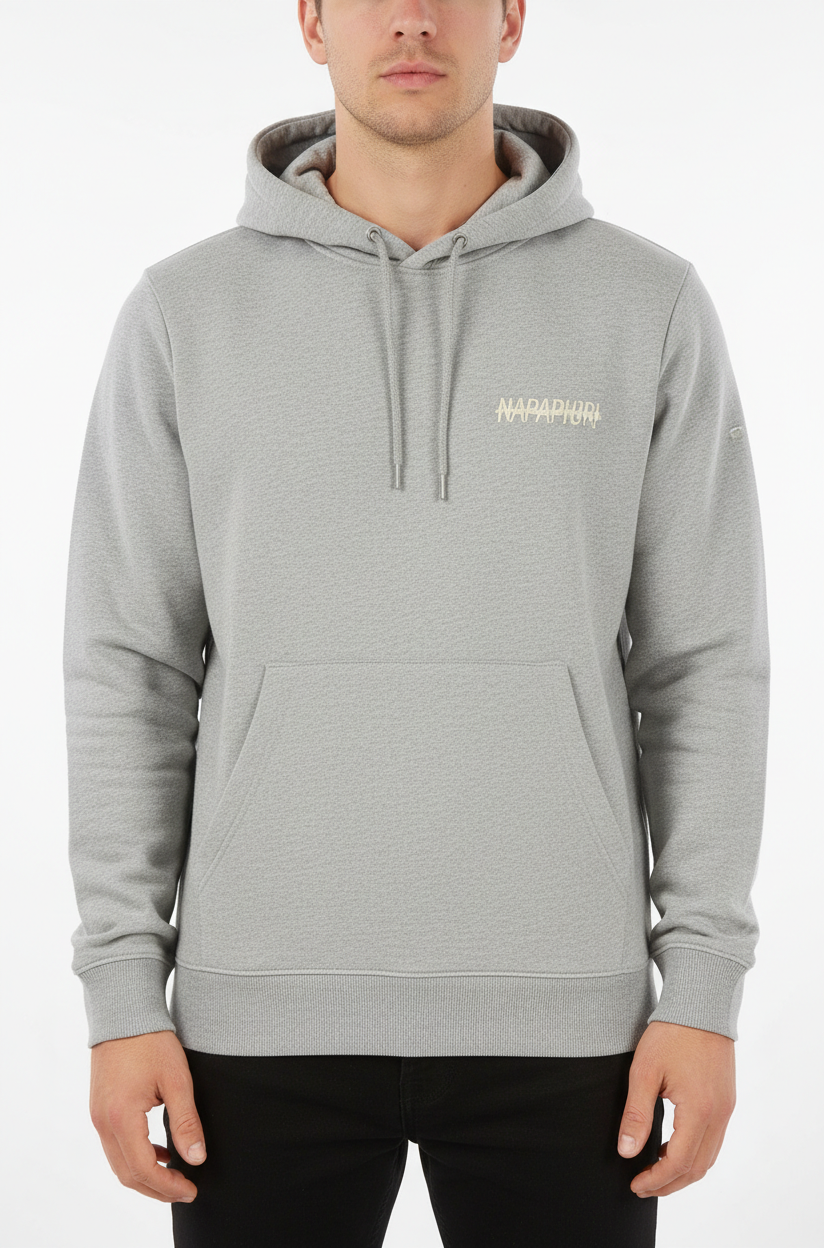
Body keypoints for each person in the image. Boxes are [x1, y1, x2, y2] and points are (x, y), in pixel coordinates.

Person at [63, 1, 771, 1244]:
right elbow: (128, 664)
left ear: (510, 18)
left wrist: (702, 987)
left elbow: (704, 662)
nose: (410, 18)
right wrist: (123, 990)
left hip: (574, 1024)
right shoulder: (186, 311)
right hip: (251, 1020)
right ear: (310, 20)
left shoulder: (645, 304)